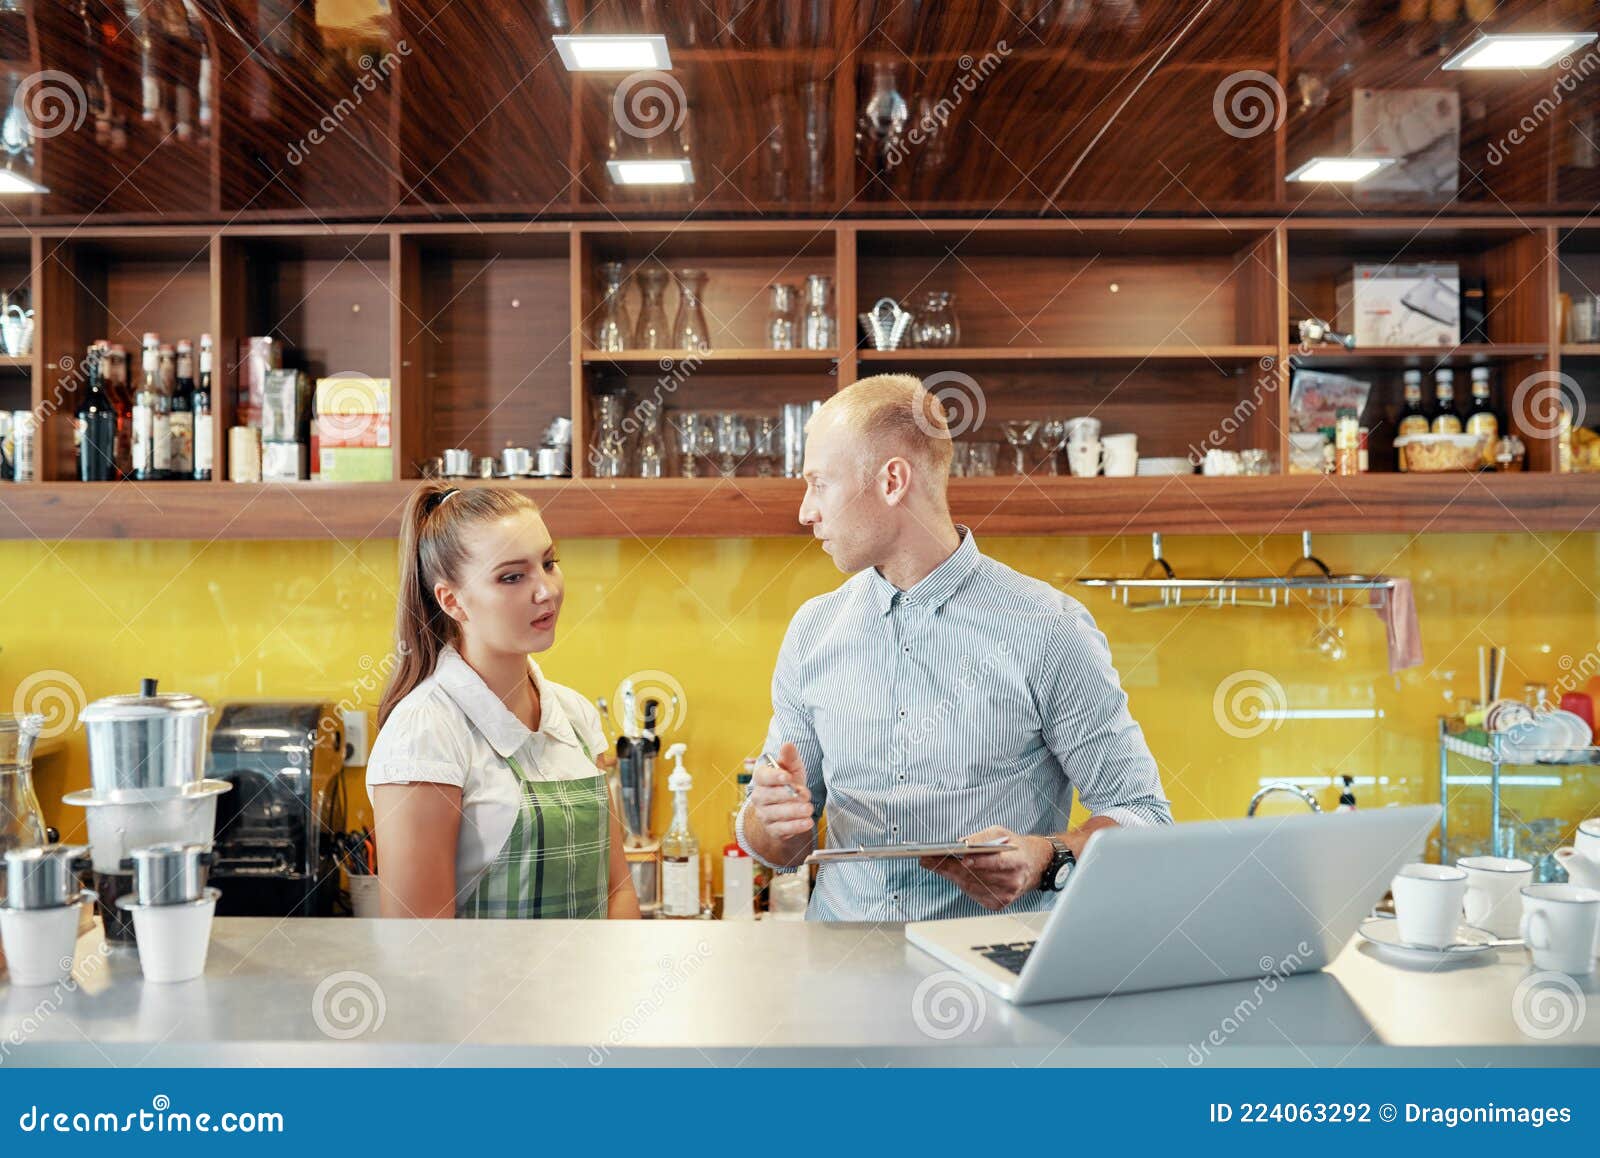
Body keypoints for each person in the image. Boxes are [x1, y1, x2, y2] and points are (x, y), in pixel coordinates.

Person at [737, 374, 1171, 921]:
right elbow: (781, 849)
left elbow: (1142, 815)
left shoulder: (1048, 628)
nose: (805, 511)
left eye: (819, 484)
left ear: (892, 480)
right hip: (839, 963)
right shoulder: (812, 630)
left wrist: (1048, 856)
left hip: (988, 962)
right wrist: (771, 818)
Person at [367, 482, 640, 920]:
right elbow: (418, 942)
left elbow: (618, 890)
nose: (545, 591)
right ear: (452, 601)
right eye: (512, 577)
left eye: (548, 563)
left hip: (593, 969)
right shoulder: (424, 733)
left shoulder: (575, 715)